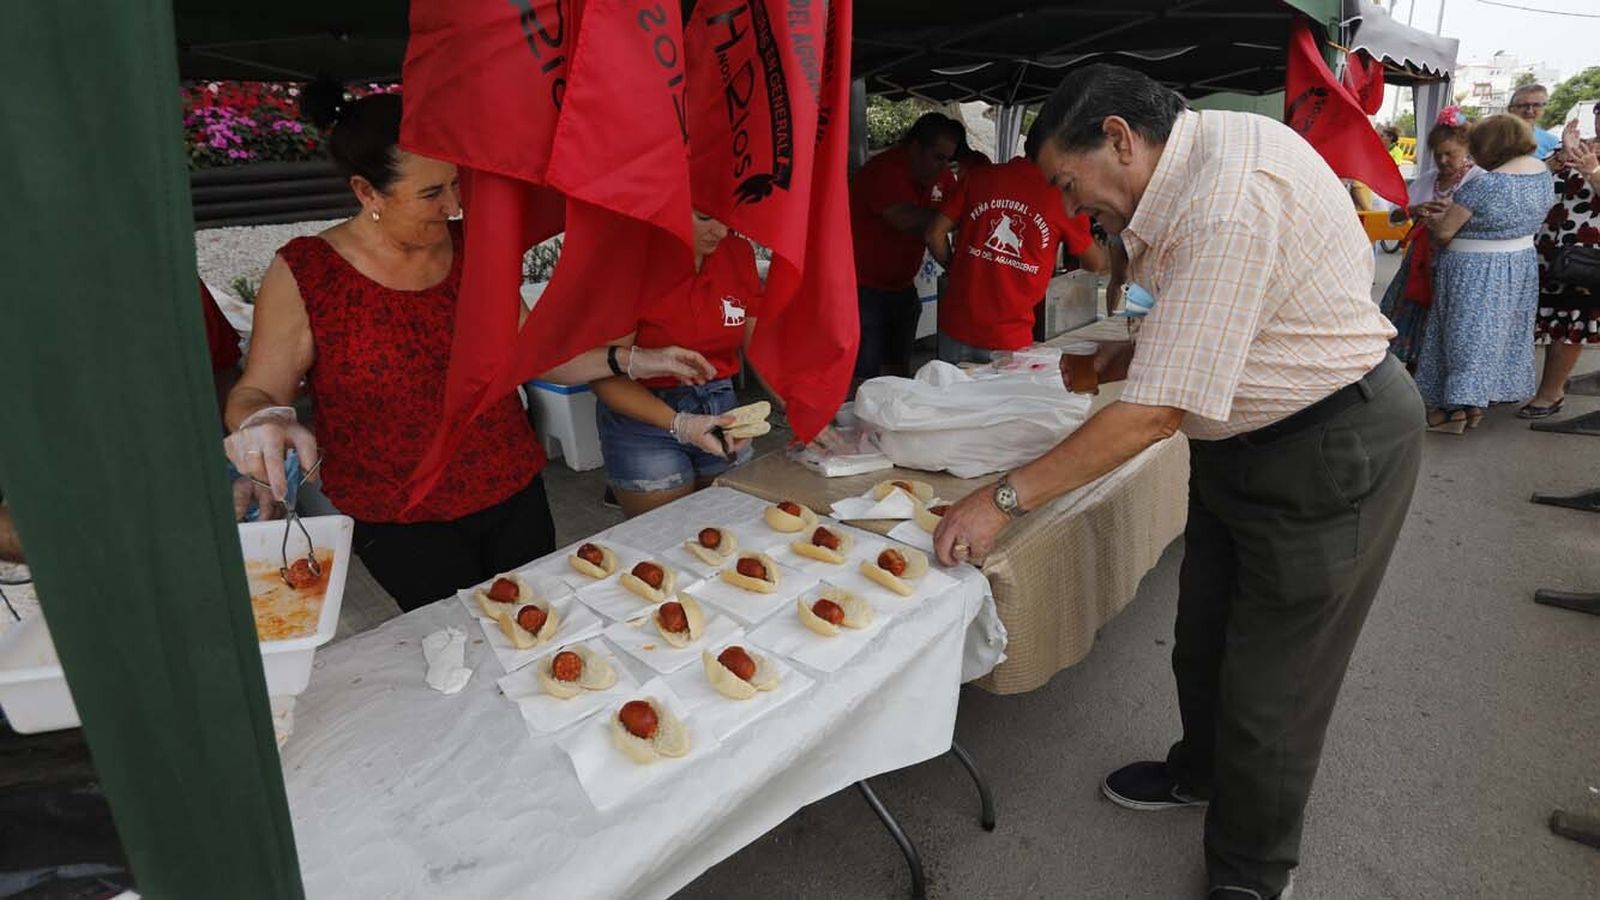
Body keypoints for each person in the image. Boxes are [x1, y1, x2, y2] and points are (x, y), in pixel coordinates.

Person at [931, 64, 1422, 899]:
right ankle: (1201, 770)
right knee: (1203, 635)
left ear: (1118, 138)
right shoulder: (1204, 153)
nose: (1072, 209)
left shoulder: (1225, 200)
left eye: (1067, 183)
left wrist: (1001, 498)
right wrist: (1132, 353)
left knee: (1276, 679)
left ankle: (1252, 870)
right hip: (1243, 445)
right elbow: (1236, 314)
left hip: (1326, 447)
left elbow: (1155, 414)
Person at [221, 93, 713, 610]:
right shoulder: (309, 272)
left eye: (456, 184)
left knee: (534, 618)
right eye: (431, 192)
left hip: (510, 488)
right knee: (455, 639)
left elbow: (532, 356)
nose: (453, 206)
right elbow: (257, 390)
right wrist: (264, 420)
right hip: (399, 516)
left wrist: (638, 360)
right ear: (368, 192)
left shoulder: (475, 244)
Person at [589, 211, 764, 518]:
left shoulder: (737, 253)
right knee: (666, 535)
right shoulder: (631, 261)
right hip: (643, 417)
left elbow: (759, 345)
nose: (721, 231)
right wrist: (680, 423)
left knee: (732, 525)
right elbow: (604, 374)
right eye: (705, 217)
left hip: (722, 409)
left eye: (727, 217)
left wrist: (799, 406)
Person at [1412, 114, 1552, 432]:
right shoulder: (1542, 174)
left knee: (1464, 337)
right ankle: (1475, 404)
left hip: (1473, 269)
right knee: (1496, 336)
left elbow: (1446, 233)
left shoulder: (1486, 184)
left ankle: (1454, 410)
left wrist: (1433, 219)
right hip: (1518, 265)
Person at [925, 122, 1105, 363]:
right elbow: (1095, 263)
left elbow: (934, 234)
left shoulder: (979, 177)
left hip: (955, 325)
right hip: (1009, 337)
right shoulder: (1064, 198)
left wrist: (956, 267)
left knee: (946, 398)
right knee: (999, 401)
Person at [849, 113, 961, 385]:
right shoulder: (883, 170)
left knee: (898, 372)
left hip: (902, 287)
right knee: (864, 378)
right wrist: (953, 218)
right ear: (914, 147)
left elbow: (939, 232)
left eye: (948, 159)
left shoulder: (944, 177)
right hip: (863, 290)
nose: (943, 166)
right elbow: (906, 220)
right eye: (937, 157)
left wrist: (956, 269)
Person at [1379, 107, 1479, 369]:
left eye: (1450, 154)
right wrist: (1413, 210)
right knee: (1406, 313)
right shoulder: (1427, 180)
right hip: (1419, 262)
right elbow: (1394, 217)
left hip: (1455, 262)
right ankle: (1406, 366)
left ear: (1466, 148)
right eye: (1438, 155)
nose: (1444, 160)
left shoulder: (1478, 180)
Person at [1526, 109, 1600, 418]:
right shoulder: (1580, 146)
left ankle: (1551, 392)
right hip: (1548, 245)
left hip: (1586, 253)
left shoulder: (1590, 157)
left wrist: (1593, 172)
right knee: (1540, 316)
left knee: (1571, 320)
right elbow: (1536, 180)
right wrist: (1558, 159)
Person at [1507, 83, 1562, 161]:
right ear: (1510, 109)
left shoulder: (1552, 142)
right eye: (1523, 105)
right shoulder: (1491, 137)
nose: (1529, 111)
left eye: (1536, 105)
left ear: (1544, 109)